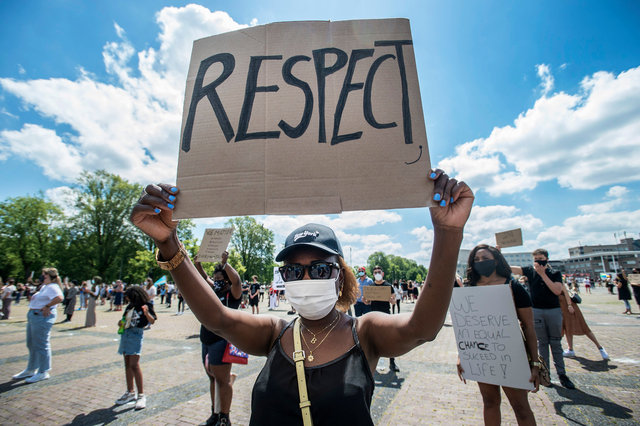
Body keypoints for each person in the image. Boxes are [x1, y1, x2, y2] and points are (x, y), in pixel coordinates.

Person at [130, 169, 473, 425]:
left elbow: (421, 328)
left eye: (320, 269)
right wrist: (168, 244)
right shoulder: (274, 332)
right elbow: (217, 318)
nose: (306, 277)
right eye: (294, 270)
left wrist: (447, 233)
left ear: (340, 277)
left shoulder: (365, 332)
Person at [457, 245, 538, 426]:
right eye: (476, 260)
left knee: (520, 407)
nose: (480, 262)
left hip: (511, 354)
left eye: (484, 258)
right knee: (489, 402)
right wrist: (462, 355)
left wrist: (535, 362)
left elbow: (529, 327)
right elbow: (466, 327)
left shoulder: (513, 285)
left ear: (495, 259)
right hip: (482, 354)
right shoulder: (470, 287)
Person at [511, 249, 575, 389]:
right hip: (536, 311)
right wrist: (498, 253)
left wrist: (543, 274)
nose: (538, 261)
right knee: (542, 344)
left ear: (546, 259)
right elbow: (511, 269)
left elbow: (557, 291)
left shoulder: (554, 273)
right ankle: (545, 374)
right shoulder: (529, 271)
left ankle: (562, 374)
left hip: (553, 310)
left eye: (541, 258)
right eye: (536, 259)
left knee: (556, 343)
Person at [194, 252, 243, 426]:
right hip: (206, 339)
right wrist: (198, 264)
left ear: (227, 280)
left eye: (221, 278)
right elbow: (203, 277)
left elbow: (237, 281)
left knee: (222, 380)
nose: (217, 281)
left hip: (221, 340)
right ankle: (215, 412)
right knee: (212, 378)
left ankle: (224, 417)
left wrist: (226, 264)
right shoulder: (214, 288)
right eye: (216, 278)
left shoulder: (233, 293)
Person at [12, 267, 64, 383]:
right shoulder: (45, 286)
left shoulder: (52, 287)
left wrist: (47, 306)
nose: (42, 277)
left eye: (44, 275)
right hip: (34, 315)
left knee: (41, 344)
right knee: (31, 343)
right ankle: (31, 368)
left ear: (50, 276)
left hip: (41, 317)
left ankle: (43, 371)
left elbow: (60, 298)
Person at [115, 285, 157, 410]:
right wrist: (120, 322)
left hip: (136, 334)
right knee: (127, 363)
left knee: (134, 364)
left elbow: (152, 320)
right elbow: (123, 319)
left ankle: (141, 395)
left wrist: (146, 313)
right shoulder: (130, 306)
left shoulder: (146, 305)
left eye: (128, 297)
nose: (127, 299)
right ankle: (130, 392)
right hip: (126, 333)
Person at [558, 282, 608, 360]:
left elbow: (565, 291)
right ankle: (570, 349)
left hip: (569, 307)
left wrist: (569, 305)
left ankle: (600, 348)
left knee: (584, 327)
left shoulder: (554, 277)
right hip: (561, 309)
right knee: (567, 329)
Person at [370, 265, 399, 372]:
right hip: (373, 316)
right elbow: (367, 301)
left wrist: (392, 300)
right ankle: (373, 363)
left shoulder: (388, 286)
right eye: (375, 272)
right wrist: (365, 300)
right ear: (373, 274)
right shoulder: (371, 287)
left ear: (382, 273)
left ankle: (392, 362)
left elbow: (394, 301)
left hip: (386, 315)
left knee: (389, 339)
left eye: (379, 272)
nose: (377, 274)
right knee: (374, 341)